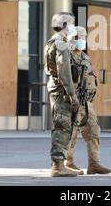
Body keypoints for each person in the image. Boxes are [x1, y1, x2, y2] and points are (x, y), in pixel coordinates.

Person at [65, 26, 111, 175]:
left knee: (93, 131)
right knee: (71, 134)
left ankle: (94, 163)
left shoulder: (85, 57)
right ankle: (68, 163)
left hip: (86, 102)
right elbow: (64, 79)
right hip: (72, 100)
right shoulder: (66, 57)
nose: (82, 41)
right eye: (78, 38)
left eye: (84, 38)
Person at [44, 12, 81, 177]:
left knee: (64, 125)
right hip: (62, 90)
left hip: (57, 88)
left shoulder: (53, 42)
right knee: (62, 126)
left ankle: (62, 163)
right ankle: (58, 165)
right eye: (71, 24)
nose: (73, 27)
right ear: (65, 24)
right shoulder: (61, 44)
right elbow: (64, 72)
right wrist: (72, 95)